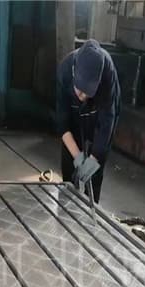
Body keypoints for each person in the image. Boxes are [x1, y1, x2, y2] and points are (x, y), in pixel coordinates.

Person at [56, 39, 121, 203]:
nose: (83, 96)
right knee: (69, 164)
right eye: (80, 90)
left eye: (88, 92)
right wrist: (77, 157)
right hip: (74, 114)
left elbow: (107, 123)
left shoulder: (107, 75)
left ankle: (91, 206)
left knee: (95, 169)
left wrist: (93, 159)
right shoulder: (65, 71)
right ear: (74, 73)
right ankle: (66, 204)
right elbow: (62, 122)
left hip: (98, 114)